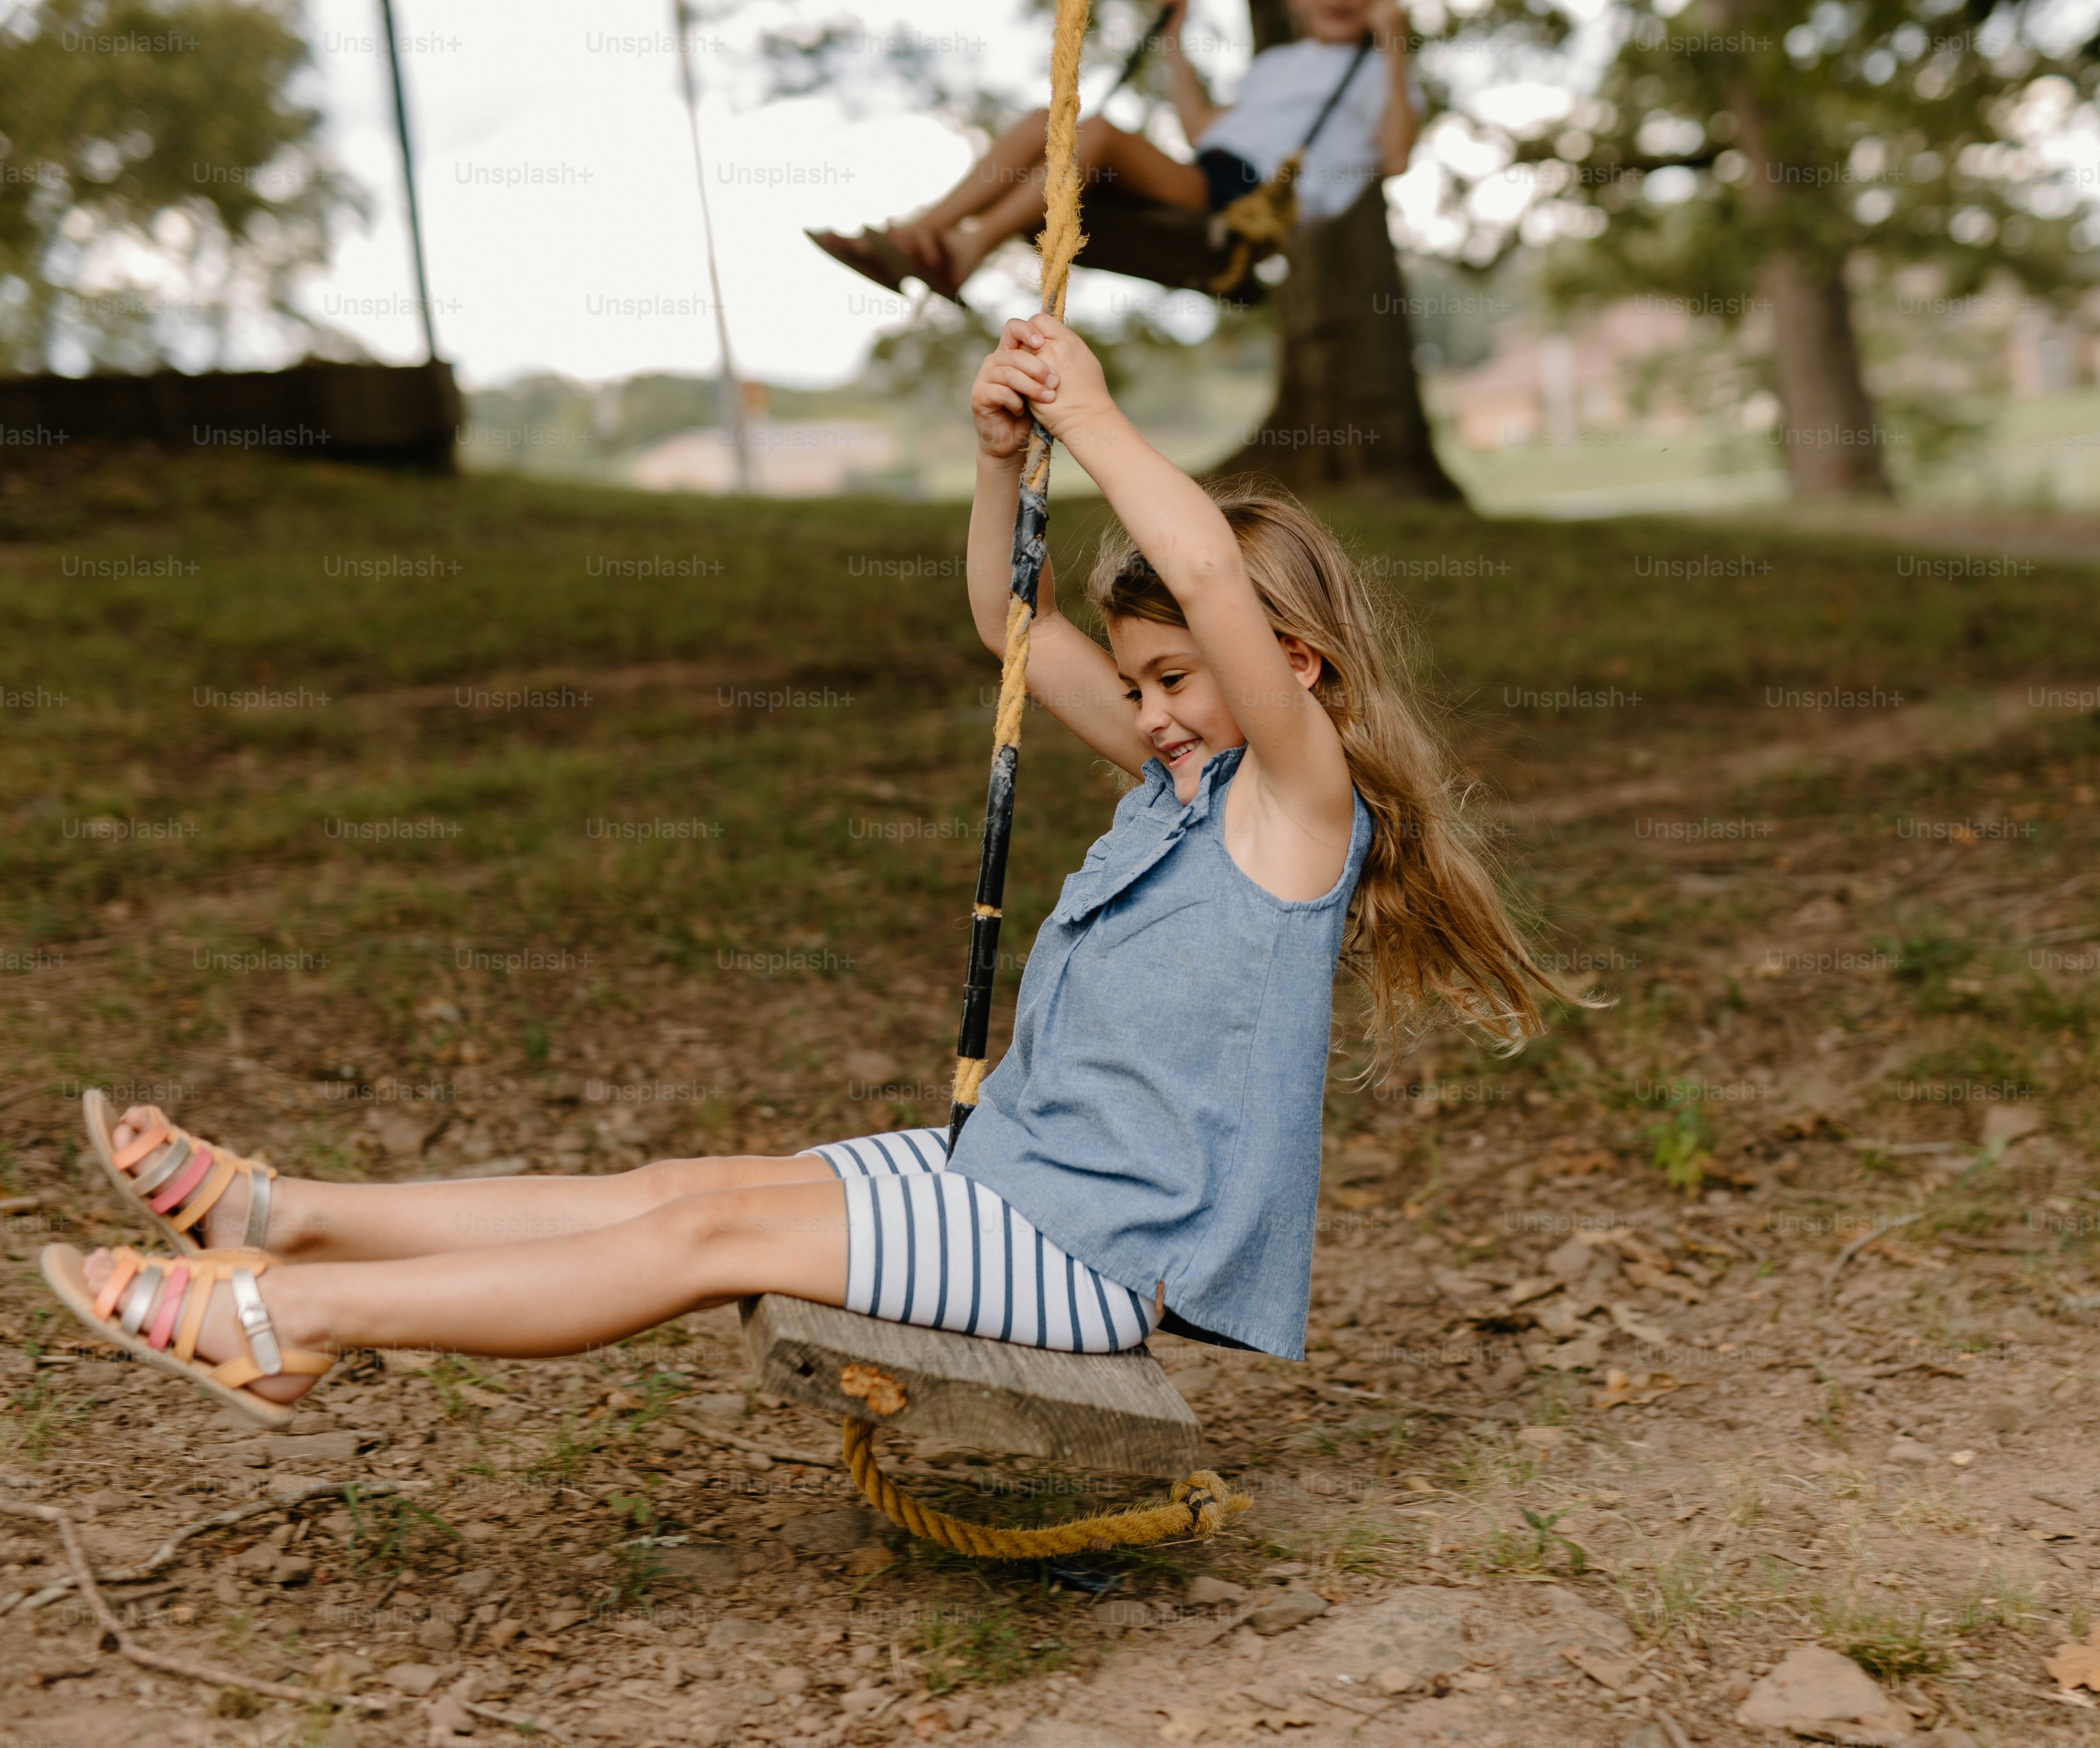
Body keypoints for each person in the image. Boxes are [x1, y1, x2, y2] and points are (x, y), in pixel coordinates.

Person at [43, 312, 1575, 1429]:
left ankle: (289, 1323)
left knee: (700, 1243)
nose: (1155, 709)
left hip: (1095, 1253)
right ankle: (282, 1218)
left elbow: (1212, 574)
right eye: (1145, 683)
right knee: (670, 1187)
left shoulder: (1291, 810)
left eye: (1182, 674)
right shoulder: (1190, 779)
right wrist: (1000, 461)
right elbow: (1007, 625)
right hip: (1007, 1182)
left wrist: (1096, 416)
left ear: (1291, 665)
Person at [811, 0, 1417, 302]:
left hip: (1249, 201)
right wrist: (1174, 44)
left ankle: (963, 248)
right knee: (1042, 123)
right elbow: (1205, 130)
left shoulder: (1377, 70)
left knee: (1093, 132)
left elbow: (1394, 158)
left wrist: (1394, 48)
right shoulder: (1277, 65)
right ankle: (921, 234)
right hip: (1206, 171)